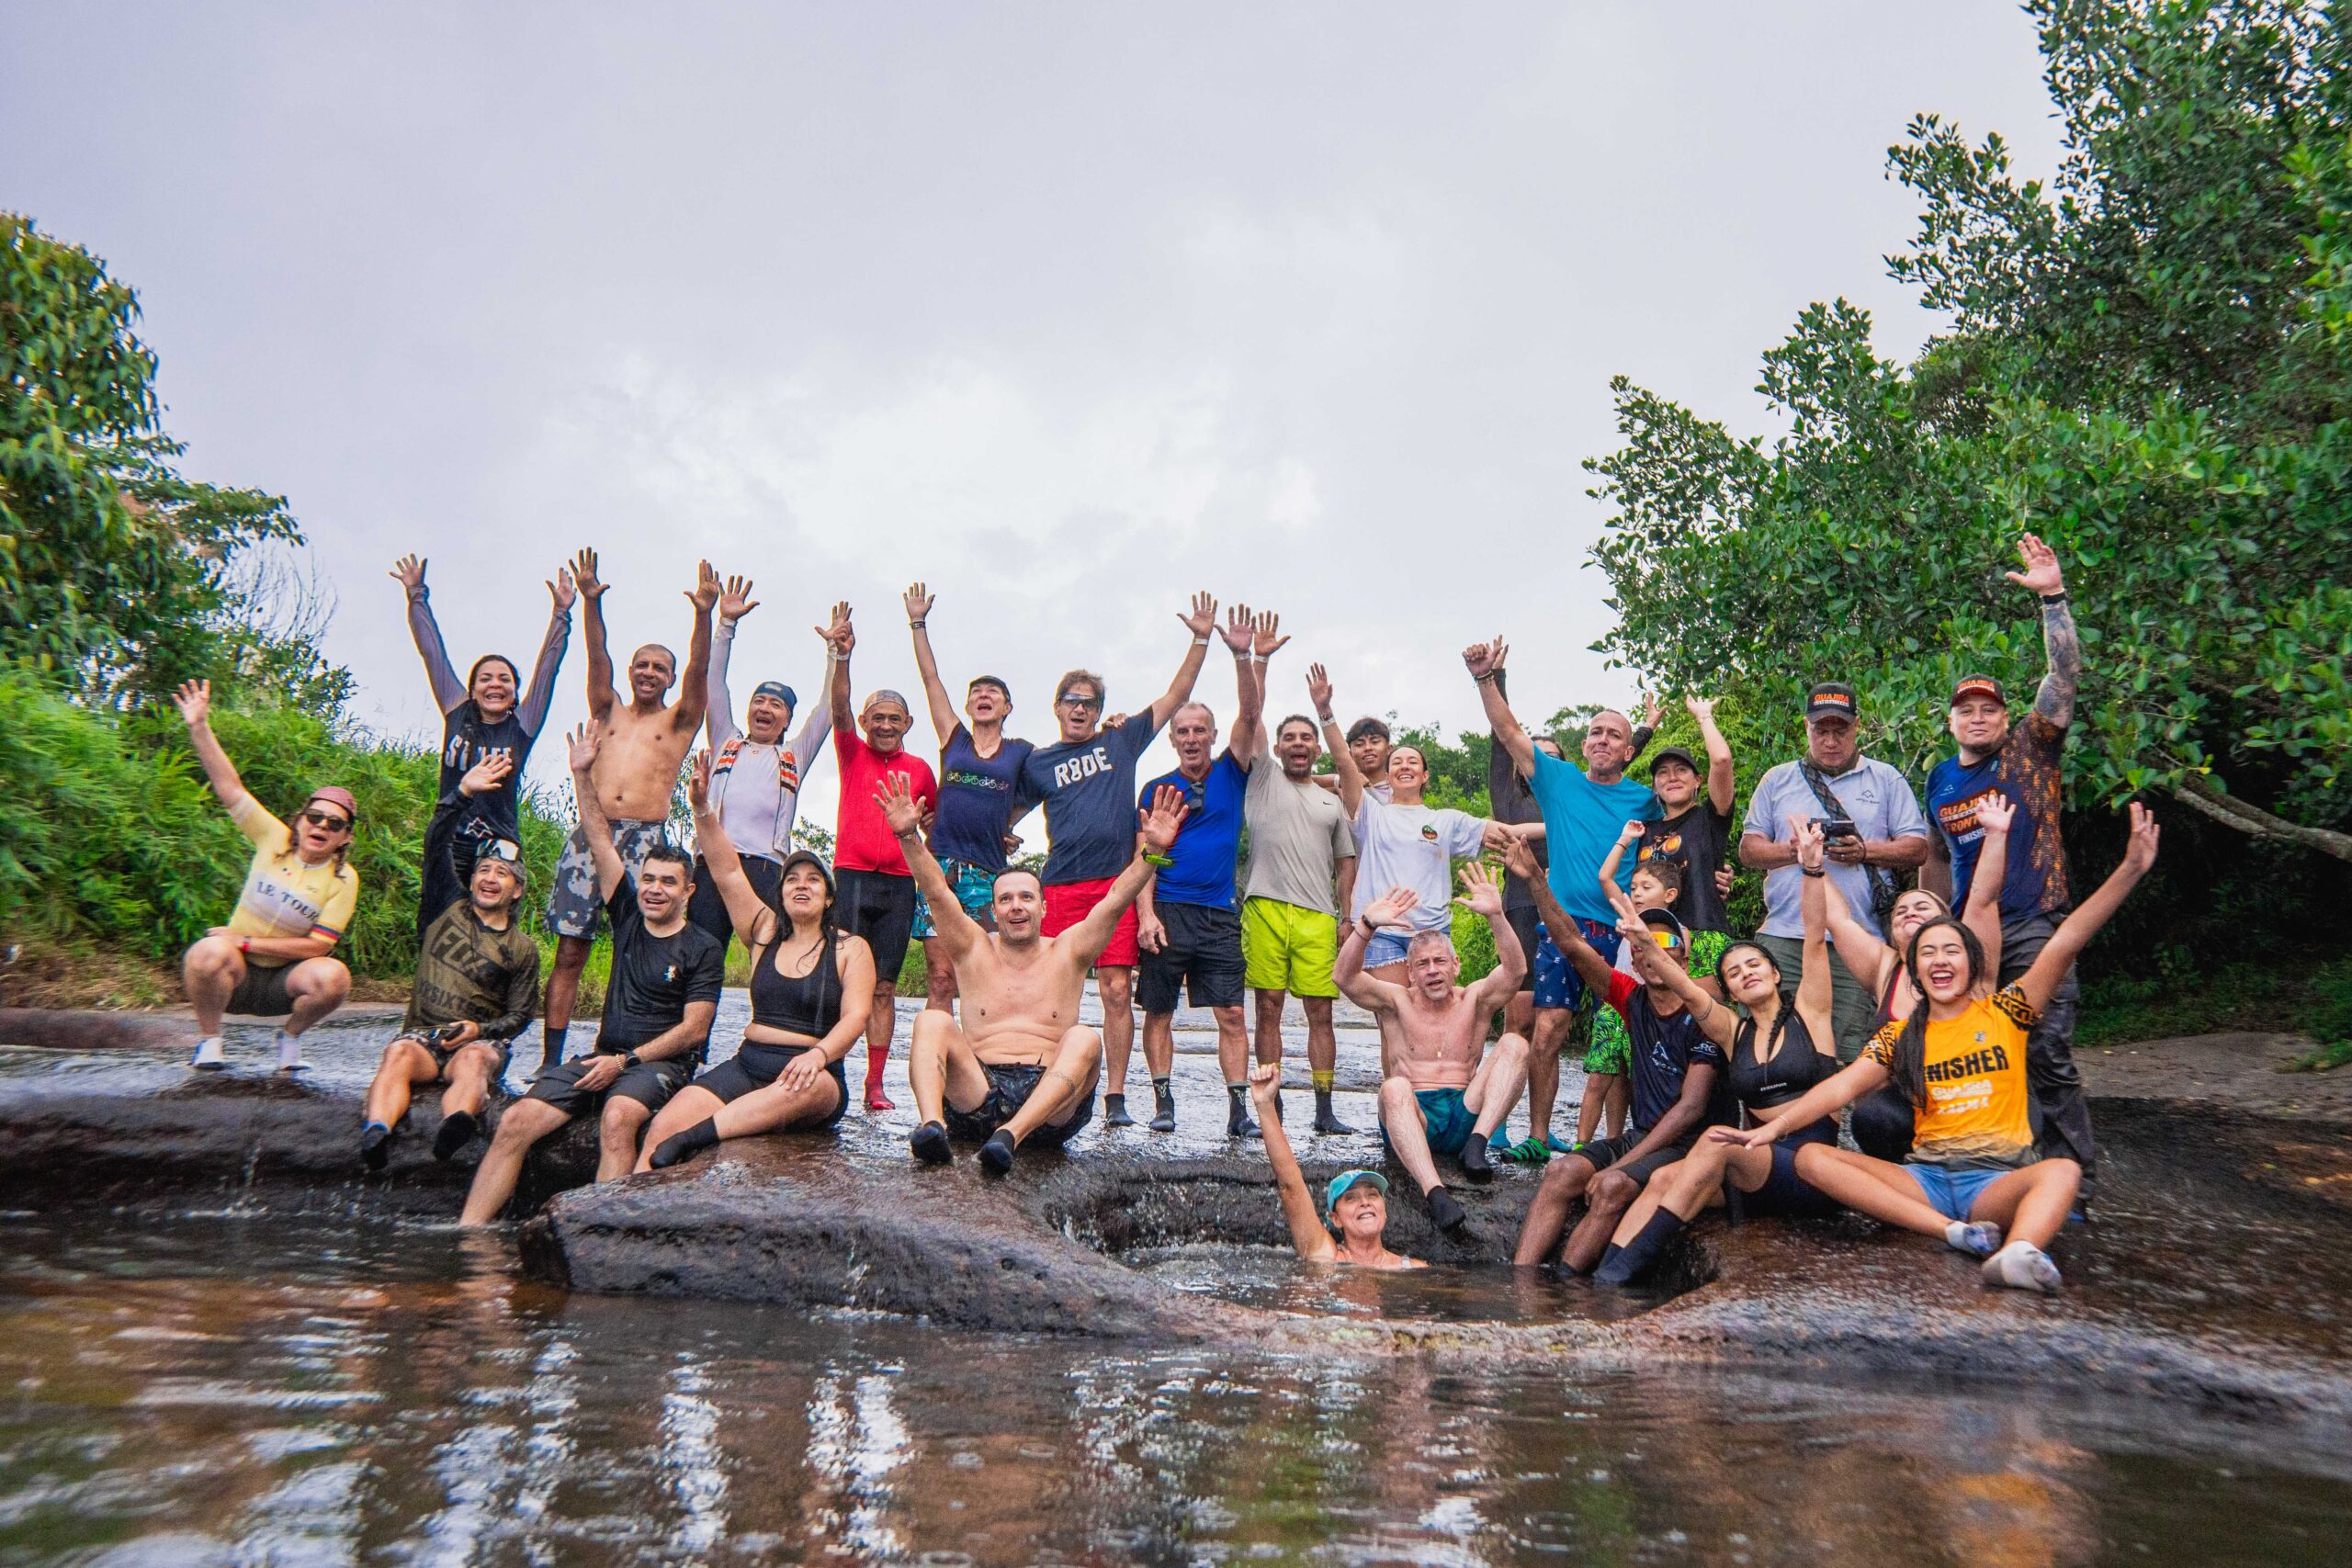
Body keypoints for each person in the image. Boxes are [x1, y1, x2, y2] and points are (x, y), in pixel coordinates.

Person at [1714, 805, 2161, 1293]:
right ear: (1916, 967)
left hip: (1993, 1180)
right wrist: (1774, 1128)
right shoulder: (1901, 1032)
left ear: (1972, 964)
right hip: (1925, 1180)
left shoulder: (2006, 1012)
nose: (1939, 959)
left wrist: (2130, 868)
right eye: (1927, 952)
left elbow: (2066, 940)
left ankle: (2017, 1251)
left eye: (1951, 950)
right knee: (1812, 1160)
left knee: (2061, 1170)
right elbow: (1843, 1085)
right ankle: (1953, 1233)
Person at [461, 726, 723, 1225]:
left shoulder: (702, 947)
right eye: (648, 879)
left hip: (659, 1066)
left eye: (668, 883)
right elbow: (599, 836)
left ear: (688, 891)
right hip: (605, 1055)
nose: (653, 890)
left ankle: (600, 1232)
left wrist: (626, 1061)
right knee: (516, 1120)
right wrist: (582, 772)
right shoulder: (627, 914)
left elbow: (694, 1030)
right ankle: (468, 1233)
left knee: (619, 1117)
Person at [1586, 818, 1846, 1283]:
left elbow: (1813, 938)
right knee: (1665, 1178)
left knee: (1714, 1140)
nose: (1746, 973)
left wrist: (1811, 869)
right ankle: (1601, 1280)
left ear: (1775, 973)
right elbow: (1683, 986)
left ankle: (1616, 1273)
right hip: (1756, 1175)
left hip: (1813, 1169)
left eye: (1755, 964)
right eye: (1733, 972)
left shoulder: (1812, 1014)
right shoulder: (1731, 1030)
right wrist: (1647, 943)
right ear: (1726, 988)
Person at [889, 774, 1191, 1174]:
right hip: (977, 1095)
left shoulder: (1069, 950)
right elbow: (936, 892)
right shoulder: (971, 946)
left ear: (1043, 909)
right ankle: (932, 1127)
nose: (1017, 907)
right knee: (930, 1019)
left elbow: (1116, 899)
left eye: (1027, 897)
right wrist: (909, 836)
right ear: (993, 911)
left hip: (1050, 1106)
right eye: (1006, 899)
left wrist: (1151, 851)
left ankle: (1011, 1136)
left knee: (1085, 1037)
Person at [1923, 533, 2099, 1203]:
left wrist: (2052, 596)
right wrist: (1931, 923)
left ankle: (2073, 1185)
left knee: (2046, 1049)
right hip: (1972, 930)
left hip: (2036, 920)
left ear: (2003, 717)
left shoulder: (2029, 748)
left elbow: (2064, 679)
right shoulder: (1939, 778)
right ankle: (2004, 1173)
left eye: (1987, 708)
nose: (1977, 717)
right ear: (1950, 721)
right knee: (1983, 1050)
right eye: (1965, 709)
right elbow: (1939, 854)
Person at [1012, 592, 1219, 1125]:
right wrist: (1004, 837)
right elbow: (1003, 812)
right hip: (1058, 885)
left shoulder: (1120, 741)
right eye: (1070, 701)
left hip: (1115, 885)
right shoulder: (1039, 762)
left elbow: (1176, 696)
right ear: (1056, 707)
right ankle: (1049, 1085)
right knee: (1053, 988)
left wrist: (1200, 637)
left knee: (1114, 991)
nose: (1079, 709)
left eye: (1088, 703)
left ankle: (1116, 1097)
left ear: (1100, 712)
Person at [635, 753, 876, 1169]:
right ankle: (625, 1217)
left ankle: (698, 1136)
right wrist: (702, 809)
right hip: (749, 1063)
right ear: (780, 894)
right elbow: (728, 872)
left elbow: (855, 1018)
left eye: (813, 880)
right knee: (660, 1129)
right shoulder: (763, 932)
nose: (801, 886)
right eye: (792, 881)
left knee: (811, 1087)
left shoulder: (850, 949)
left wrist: (818, 1056)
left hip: (812, 1072)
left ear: (829, 897)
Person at [1506, 837, 1725, 1272]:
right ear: (1636, 959)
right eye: (1645, 947)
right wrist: (1535, 880)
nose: (1654, 954)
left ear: (1682, 962)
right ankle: (1522, 1282)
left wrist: (1622, 1164)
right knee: (1560, 1173)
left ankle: (1568, 1285)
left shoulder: (1705, 1015)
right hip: (1644, 1136)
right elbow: (1571, 944)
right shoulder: (1632, 999)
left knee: (1609, 1187)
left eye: (1666, 946)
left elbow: (1691, 1109)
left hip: (1690, 1145)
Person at [541, 551, 716, 1069]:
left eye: (659, 668)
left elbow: (701, 669)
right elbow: (597, 657)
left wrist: (703, 614)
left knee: (633, 948)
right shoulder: (607, 710)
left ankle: (612, 1048)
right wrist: (591, 602)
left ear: (670, 679)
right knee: (571, 949)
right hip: (588, 837)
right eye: (642, 664)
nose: (648, 672)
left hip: (643, 840)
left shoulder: (679, 722)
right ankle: (551, 1060)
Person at [359, 753, 543, 1170]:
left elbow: (520, 1017)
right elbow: (436, 839)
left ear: (516, 890)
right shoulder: (446, 906)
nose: (489, 878)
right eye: (484, 870)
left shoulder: (522, 948)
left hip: (479, 1043)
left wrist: (481, 1029)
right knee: (398, 1054)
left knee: (475, 1060)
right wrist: (461, 793)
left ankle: (455, 1127)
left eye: (501, 873)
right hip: (424, 1038)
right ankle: (376, 1134)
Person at [1737, 682, 1931, 1061]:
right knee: (1765, 1048)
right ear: (1806, 729)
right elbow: (1749, 850)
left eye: (1839, 731)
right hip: (1784, 933)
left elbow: (1918, 848)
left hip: (1857, 940)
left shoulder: (1886, 778)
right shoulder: (1777, 779)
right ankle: (1773, 1122)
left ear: (1856, 727)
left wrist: (1864, 850)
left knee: (1857, 1052)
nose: (1830, 741)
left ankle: (1852, 1121)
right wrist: (1793, 851)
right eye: (1820, 731)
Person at [172, 679, 357, 1072]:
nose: (321, 825)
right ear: (300, 819)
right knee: (206, 953)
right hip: (235, 973)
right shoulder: (272, 838)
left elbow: (317, 948)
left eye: (334, 822)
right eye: (315, 816)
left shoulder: (344, 879)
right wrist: (199, 726)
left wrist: (245, 939)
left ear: (344, 837)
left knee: (335, 977)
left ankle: (289, 1039)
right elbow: (228, 786)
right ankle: (210, 1040)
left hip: (284, 983)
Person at [390, 553, 573, 945]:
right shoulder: (456, 711)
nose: (495, 684)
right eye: (485, 678)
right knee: (438, 926)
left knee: (492, 931)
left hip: (498, 842)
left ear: (514, 693)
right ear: (472, 689)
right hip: (451, 836)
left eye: (504, 679)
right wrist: (416, 594)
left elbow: (547, 669)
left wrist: (561, 614)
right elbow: (432, 653)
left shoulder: (522, 725)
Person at [1135, 605, 1267, 1136]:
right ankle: (1163, 1102)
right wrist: (1145, 916)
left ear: (1213, 736)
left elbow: (1252, 717)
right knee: (1159, 1013)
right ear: (1172, 738)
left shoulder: (1233, 771)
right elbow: (1142, 860)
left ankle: (1239, 1110)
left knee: (1232, 1014)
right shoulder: (1154, 788)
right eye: (1182, 731)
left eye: (1200, 730)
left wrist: (1241, 657)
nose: (1191, 738)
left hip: (1217, 914)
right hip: (1167, 912)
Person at [1337, 872, 1531, 1234]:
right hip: (1414, 1120)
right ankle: (1435, 1193)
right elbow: (1344, 979)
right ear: (1409, 973)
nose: (1432, 971)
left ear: (1455, 966)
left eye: (1440, 962)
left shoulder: (1474, 998)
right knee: (1394, 1087)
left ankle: (1477, 1145)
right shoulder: (1395, 1002)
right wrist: (1365, 926)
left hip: (1465, 1111)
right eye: (1423, 965)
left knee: (1516, 1045)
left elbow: (1516, 970)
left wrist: (1496, 915)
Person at [1826, 799, 2014, 1161]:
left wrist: (1995, 836)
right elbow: (1839, 920)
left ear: (1948, 922)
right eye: (1900, 911)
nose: (1910, 911)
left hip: (1970, 1103)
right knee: (1872, 1114)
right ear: (1893, 934)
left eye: (1922, 906)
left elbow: (1983, 900)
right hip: (1906, 1113)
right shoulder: (1885, 966)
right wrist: (1812, 865)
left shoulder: (1970, 964)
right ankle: (1905, 1185)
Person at [823, 603, 940, 1111]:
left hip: (897, 886)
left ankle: (874, 1084)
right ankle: (829, 1071)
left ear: (908, 722)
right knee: (838, 978)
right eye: (878, 718)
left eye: (894, 718)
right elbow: (839, 709)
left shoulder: (920, 768)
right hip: (849, 878)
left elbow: (931, 826)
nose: (885, 725)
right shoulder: (852, 752)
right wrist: (841, 656)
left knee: (884, 989)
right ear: (866, 722)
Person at [902, 581, 1036, 1018]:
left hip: (986, 873)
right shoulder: (954, 739)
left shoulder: (1020, 752)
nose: (983, 696)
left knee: (981, 975)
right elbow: (930, 679)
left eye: (993, 693)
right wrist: (918, 622)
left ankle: (983, 1063)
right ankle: (936, 1068)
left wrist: (1007, 823)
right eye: (977, 692)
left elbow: (1041, 788)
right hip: (939, 867)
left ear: (1007, 707)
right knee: (941, 977)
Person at [1241, 651, 1361, 1135]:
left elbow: (1345, 862)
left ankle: (1324, 1106)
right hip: (1264, 906)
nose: (1296, 744)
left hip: (1318, 915)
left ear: (1315, 749)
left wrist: (1346, 916)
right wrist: (1256, 662)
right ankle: (1271, 1100)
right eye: (1288, 737)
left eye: (1304, 738)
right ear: (1278, 746)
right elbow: (1250, 717)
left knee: (1320, 1011)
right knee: (1268, 1004)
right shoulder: (1261, 777)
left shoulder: (1331, 799)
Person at [688, 571, 837, 954]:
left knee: (768, 955)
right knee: (702, 953)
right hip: (712, 863)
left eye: (776, 705)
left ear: (786, 720)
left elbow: (827, 710)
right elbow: (713, 682)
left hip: (767, 867)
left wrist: (837, 653)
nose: (765, 709)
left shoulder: (792, 756)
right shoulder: (726, 740)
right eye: (759, 701)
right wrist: (726, 624)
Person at [1573, 821, 1732, 1148]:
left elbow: (1681, 974)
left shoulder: (1681, 932)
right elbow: (1605, 878)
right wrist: (1624, 840)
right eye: (1634, 886)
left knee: (1632, 1076)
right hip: (1618, 999)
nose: (1636, 892)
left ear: (1671, 894)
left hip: (1647, 1008)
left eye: (1646, 886)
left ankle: (1621, 1138)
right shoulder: (1629, 911)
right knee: (1600, 1074)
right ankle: (1582, 1143)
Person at [1485, 665, 1566, 1157]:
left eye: (1554, 758)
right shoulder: (1509, 798)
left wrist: (1641, 730)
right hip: (1520, 909)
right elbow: (1501, 739)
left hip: (1565, 915)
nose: (1544, 764)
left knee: (1552, 1026)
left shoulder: (1568, 803)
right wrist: (1495, 678)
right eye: (1537, 756)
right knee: (1518, 1022)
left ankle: (1541, 1127)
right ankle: (1493, 1122)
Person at [1245, 1066, 1423, 1270]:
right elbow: (1290, 1187)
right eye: (1351, 1198)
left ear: (1385, 1212)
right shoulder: (1325, 1255)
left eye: (1372, 1195)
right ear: (1335, 1219)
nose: (1365, 1202)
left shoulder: (1414, 1268)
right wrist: (1265, 1105)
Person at [1640, 695, 1736, 936]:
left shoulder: (1710, 818)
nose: (1672, 777)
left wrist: (1704, 716)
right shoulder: (1642, 829)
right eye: (1663, 773)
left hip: (1703, 933)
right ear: (1655, 785)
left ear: (1697, 780)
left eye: (1681, 770)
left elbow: (1722, 760)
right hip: (1653, 938)